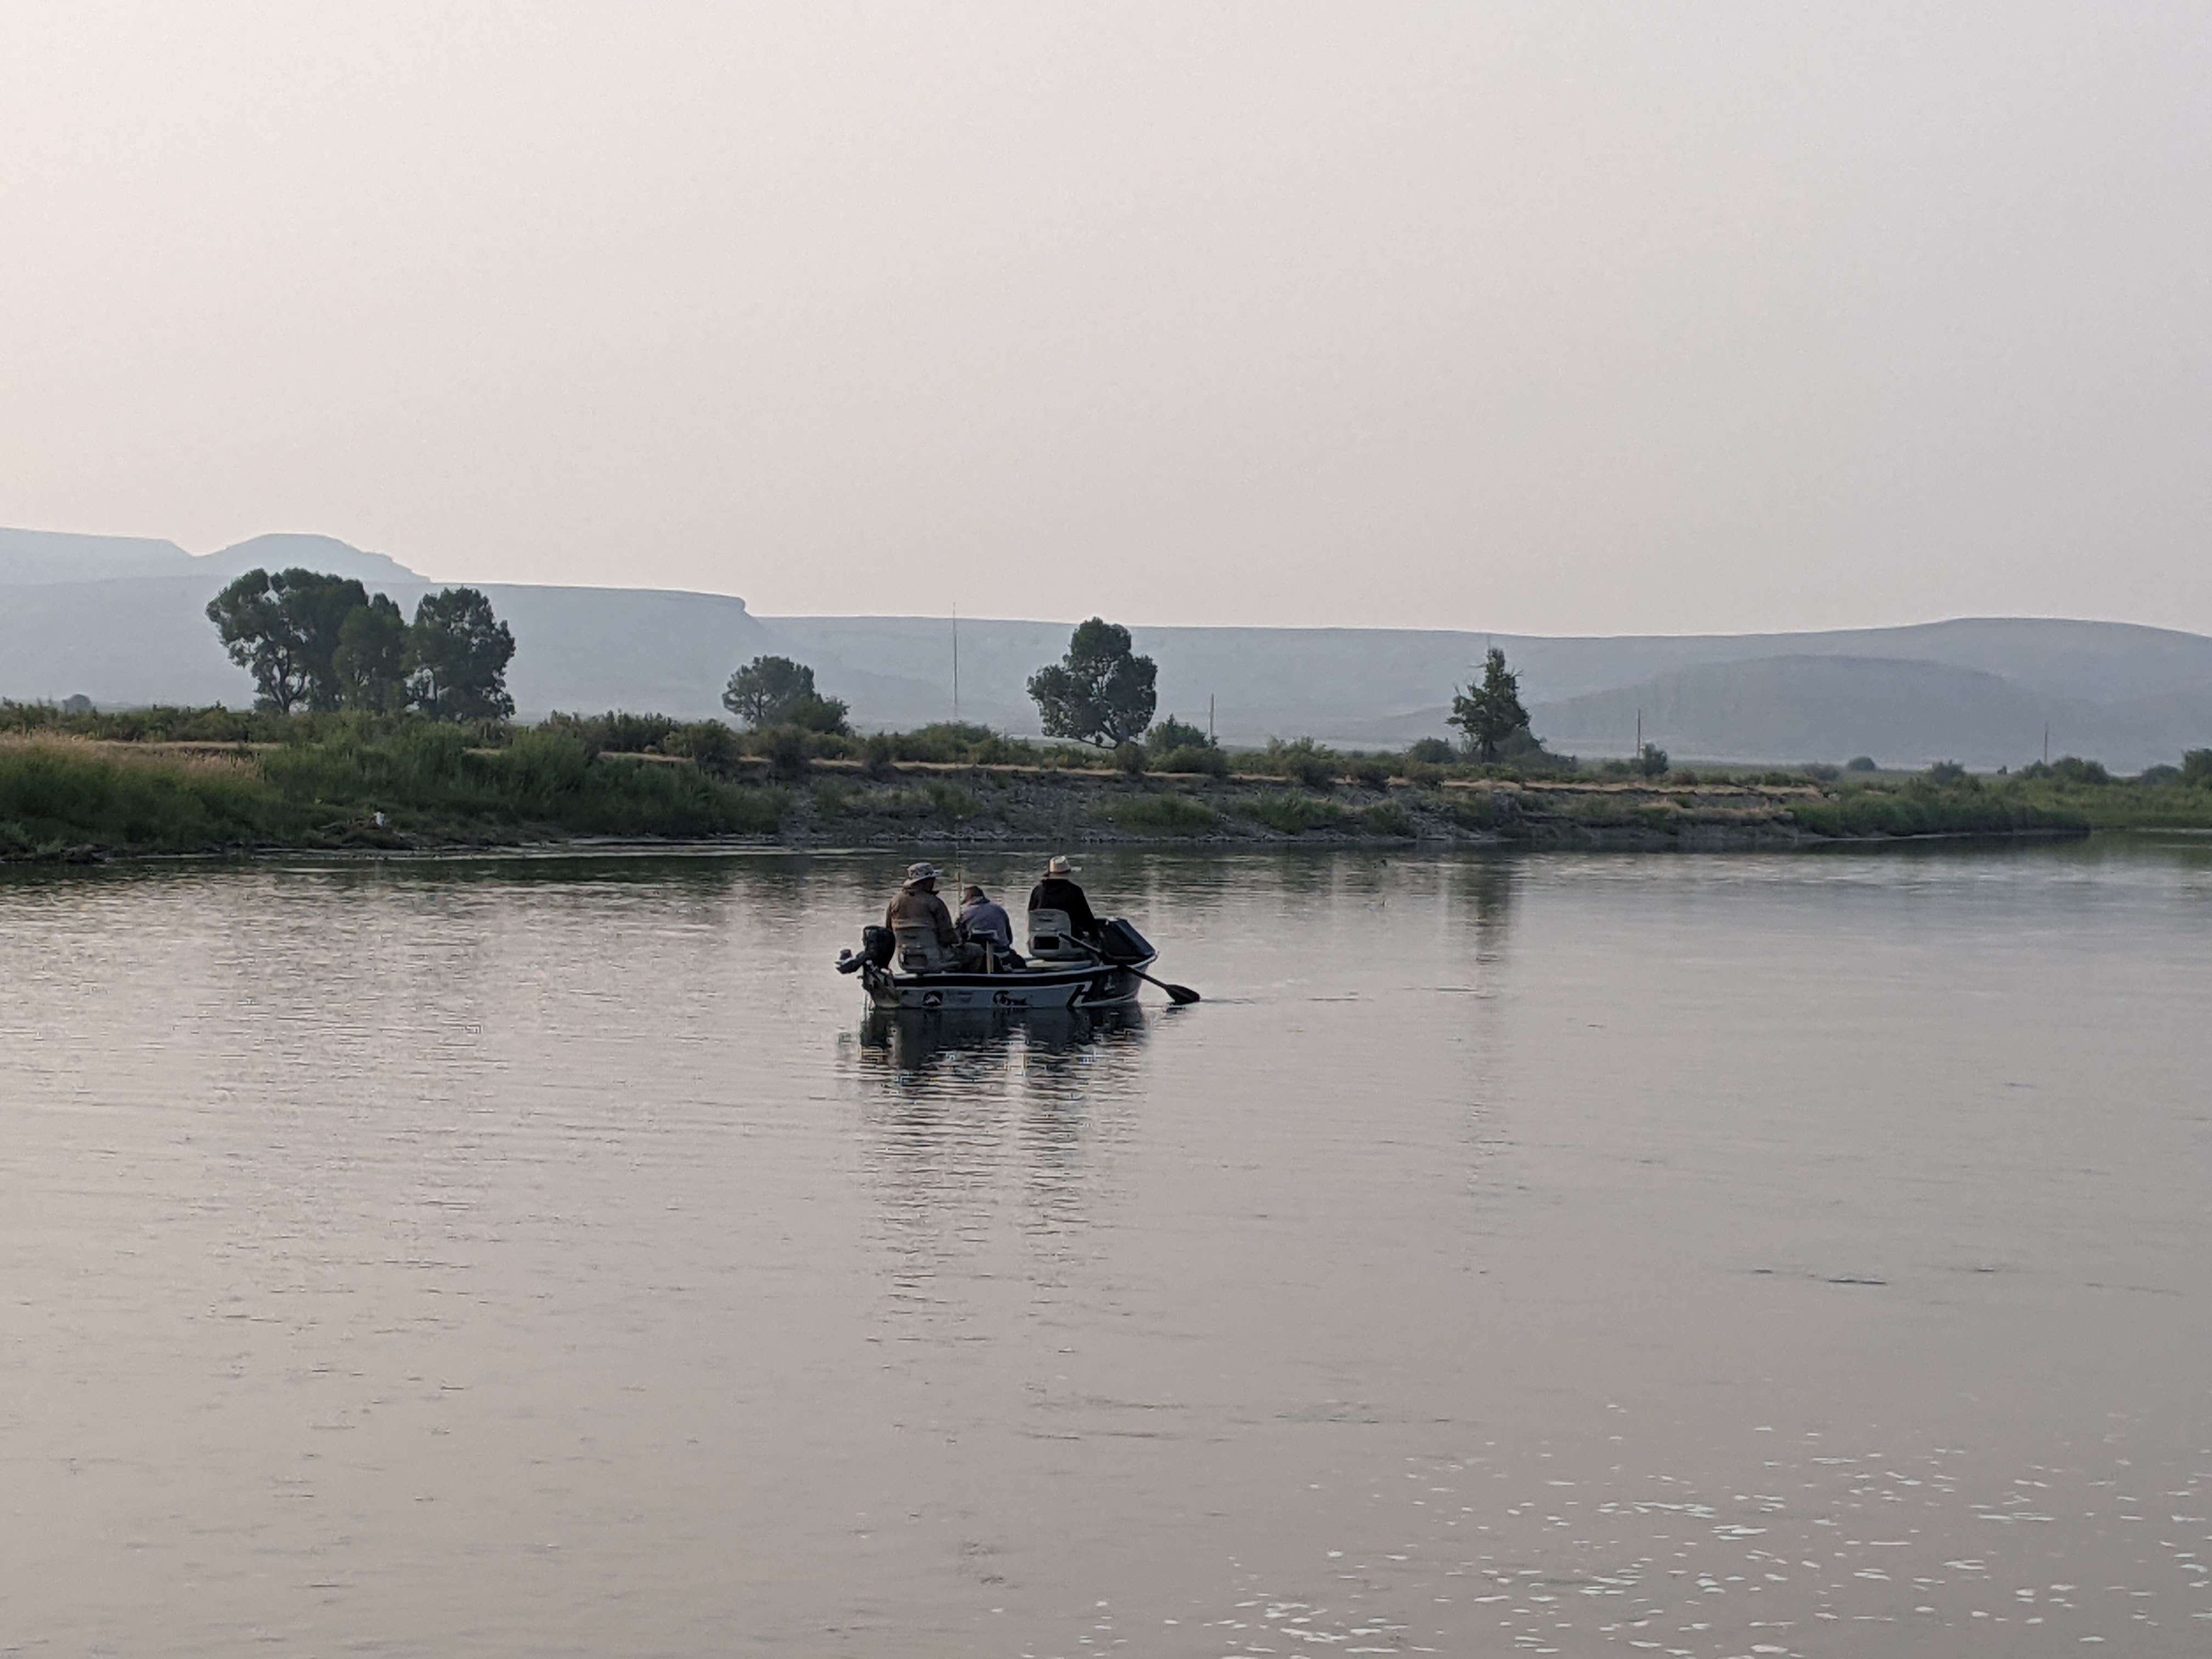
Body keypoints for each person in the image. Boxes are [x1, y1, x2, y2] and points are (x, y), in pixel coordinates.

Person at [885, 862, 983, 969]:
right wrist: (960, 935)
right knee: (977, 951)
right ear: (924, 883)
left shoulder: (894, 902)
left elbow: (889, 932)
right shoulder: (935, 903)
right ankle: (964, 983)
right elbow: (948, 938)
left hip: (906, 961)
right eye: (932, 880)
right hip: (937, 959)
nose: (934, 883)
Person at [1028, 854, 1101, 944]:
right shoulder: (1075, 891)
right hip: (1070, 941)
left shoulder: (1037, 891)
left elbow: (1031, 915)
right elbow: (1087, 920)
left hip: (1040, 942)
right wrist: (1096, 936)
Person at [957, 884, 1018, 966]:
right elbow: (1009, 939)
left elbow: (956, 937)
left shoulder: (967, 913)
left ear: (970, 899)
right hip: (1004, 953)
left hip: (980, 956)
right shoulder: (999, 910)